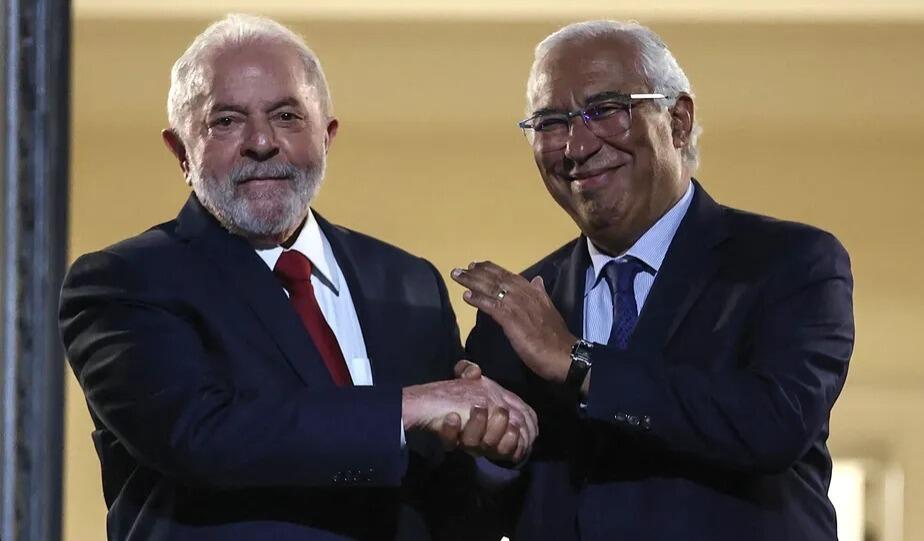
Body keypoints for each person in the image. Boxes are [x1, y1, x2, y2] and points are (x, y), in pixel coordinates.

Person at [59, 14, 535, 541]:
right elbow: (198, 433)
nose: (262, 141)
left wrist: (493, 454)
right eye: (226, 121)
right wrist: (409, 406)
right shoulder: (124, 282)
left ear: (327, 137)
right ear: (181, 153)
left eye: (287, 116)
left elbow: (441, 494)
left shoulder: (408, 283)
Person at [453, 20, 854, 541]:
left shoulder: (788, 263)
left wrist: (578, 362)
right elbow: (467, 513)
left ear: (678, 121)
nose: (575, 145)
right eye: (551, 122)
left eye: (605, 110)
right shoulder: (518, 312)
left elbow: (775, 423)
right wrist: (494, 459)